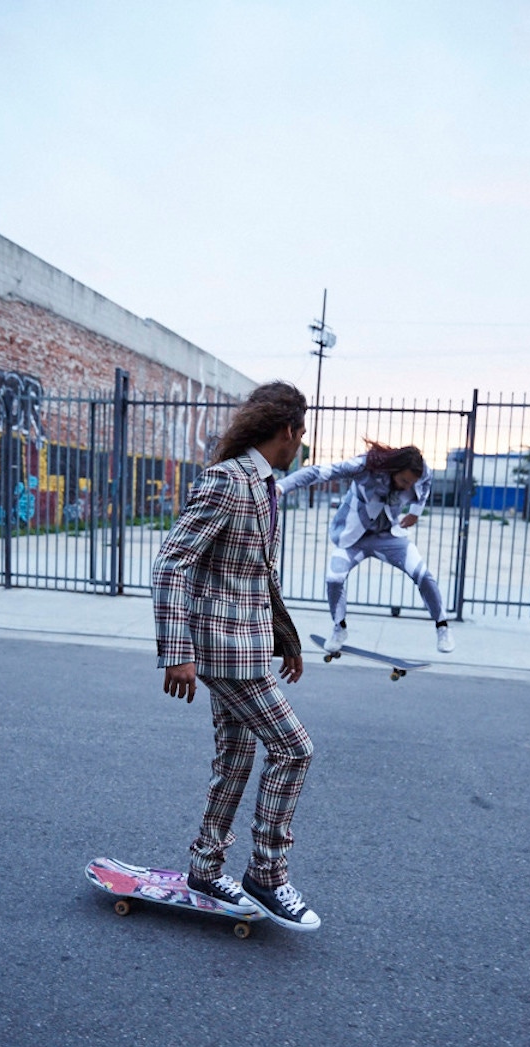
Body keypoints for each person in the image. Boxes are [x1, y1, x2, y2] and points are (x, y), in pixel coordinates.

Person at [152, 381, 320, 932]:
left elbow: (256, 576)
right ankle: (267, 874)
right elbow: (173, 563)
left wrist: (286, 642)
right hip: (225, 654)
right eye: (302, 431)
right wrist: (178, 652)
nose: (303, 442)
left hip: (248, 646)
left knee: (237, 762)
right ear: (289, 430)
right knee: (294, 750)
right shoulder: (229, 481)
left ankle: (205, 866)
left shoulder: (264, 485)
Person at [277, 441, 456, 655]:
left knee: (424, 575)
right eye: (404, 481)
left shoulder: (422, 471)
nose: (408, 487)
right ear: (393, 470)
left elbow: (426, 482)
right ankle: (339, 628)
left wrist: (416, 511)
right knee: (334, 579)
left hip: (389, 536)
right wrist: (281, 487)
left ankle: (442, 627)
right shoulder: (363, 466)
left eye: (411, 483)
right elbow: (319, 472)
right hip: (354, 536)